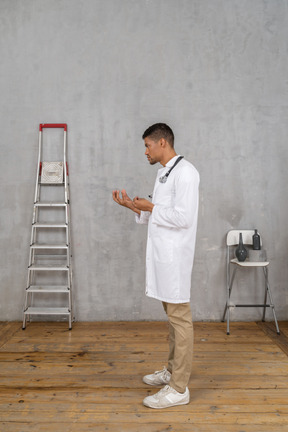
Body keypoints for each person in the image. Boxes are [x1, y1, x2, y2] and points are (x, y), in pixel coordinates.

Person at [112, 123, 199, 409]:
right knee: (172, 319)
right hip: (164, 258)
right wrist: (134, 207)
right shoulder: (164, 174)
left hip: (175, 259)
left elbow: (183, 218)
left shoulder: (186, 173)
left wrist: (150, 208)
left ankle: (179, 388)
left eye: (148, 146)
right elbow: (163, 216)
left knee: (180, 320)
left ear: (162, 142)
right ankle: (173, 371)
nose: (145, 152)